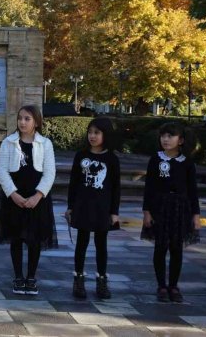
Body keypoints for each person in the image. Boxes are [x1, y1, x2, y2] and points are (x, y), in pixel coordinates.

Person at [0, 105, 57, 296]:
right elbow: (2, 170)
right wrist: (13, 194)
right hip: (15, 197)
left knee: (34, 239)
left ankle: (31, 276)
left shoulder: (45, 144)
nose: (22, 122)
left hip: (36, 198)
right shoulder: (8, 142)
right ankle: (18, 276)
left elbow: (50, 172)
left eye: (27, 119)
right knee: (16, 238)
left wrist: (38, 195)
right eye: (20, 118)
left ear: (36, 122)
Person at [141, 122, 201, 303]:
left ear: (180, 140)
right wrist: (147, 212)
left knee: (176, 248)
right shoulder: (156, 159)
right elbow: (149, 187)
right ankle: (161, 285)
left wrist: (196, 215)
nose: (166, 139)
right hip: (160, 207)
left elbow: (193, 190)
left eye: (170, 136)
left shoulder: (187, 163)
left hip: (180, 208)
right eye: (163, 136)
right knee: (160, 247)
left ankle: (173, 285)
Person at [65, 117, 121, 299]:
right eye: (90, 132)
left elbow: (116, 188)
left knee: (101, 245)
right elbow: (73, 183)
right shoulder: (81, 156)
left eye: (97, 133)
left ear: (105, 135)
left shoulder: (112, 159)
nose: (92, 136)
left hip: (102, 208)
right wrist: (70, 207)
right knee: (81, 243)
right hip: (83, 206)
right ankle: (79, 279)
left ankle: (102, 280)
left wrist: (114, 212)